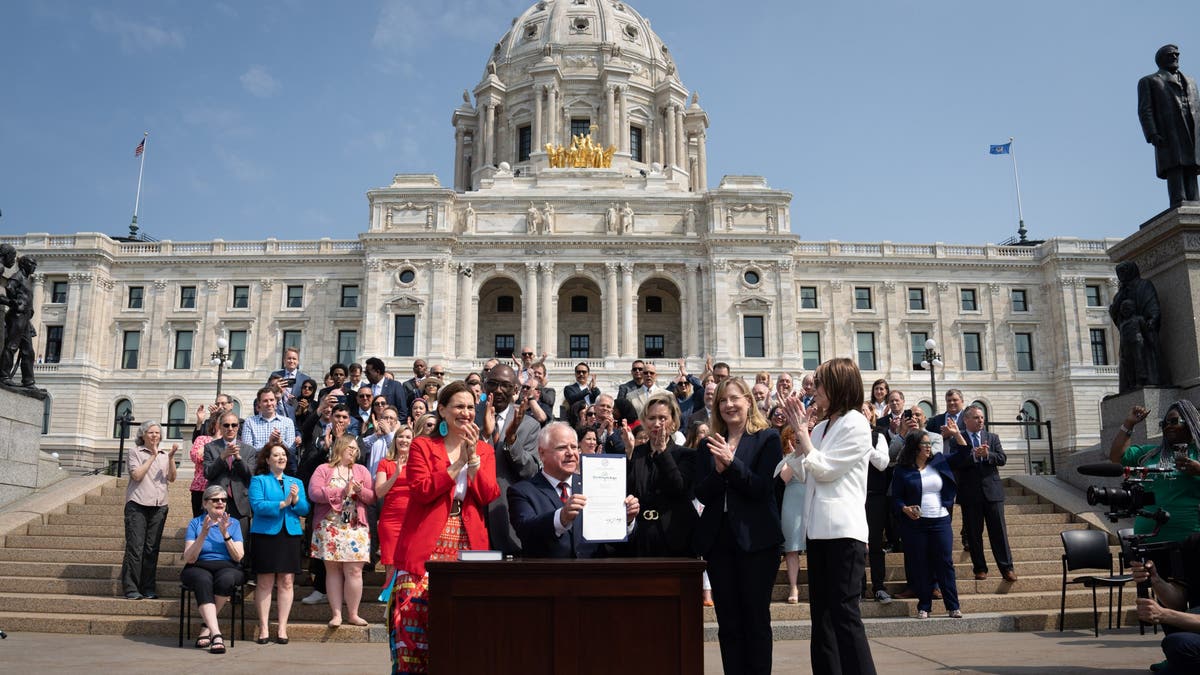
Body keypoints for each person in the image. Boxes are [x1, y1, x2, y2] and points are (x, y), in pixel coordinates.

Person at [389, 381, 500, 674]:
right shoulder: (423, 446)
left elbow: (488, 495)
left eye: (470, 407)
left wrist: (473, 461)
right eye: (459, 406)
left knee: (462, 630)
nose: (466, 412)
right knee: (414, 629)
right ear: (442, 410)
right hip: (427, 540)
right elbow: (422, 490)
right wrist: (457, 463)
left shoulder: (485, 450)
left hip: (467, 541)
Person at [779, 357, 878, 675]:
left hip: (844, 533)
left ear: (837, 386)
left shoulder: (856, 423)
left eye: (820, 383)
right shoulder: (821, 427)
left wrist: (804, 438)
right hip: (817, 532)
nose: (814, 390)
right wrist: (799, 438)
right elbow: (805, 471)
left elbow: (825, 470)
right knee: (821, 618)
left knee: (845, 615)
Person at [693, 377, 783, 675]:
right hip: (720, 542)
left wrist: (732, 465)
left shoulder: (767, 438)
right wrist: (720, 472)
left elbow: (761, 489)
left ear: (748, 401)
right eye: (722, 400)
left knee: (755, 620)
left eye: (734, 398)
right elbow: (702, 492)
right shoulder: (708, 444)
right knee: (728, 623)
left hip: (756, 541)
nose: (728, 405)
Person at [509, 421, 639, 558]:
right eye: (562, 448)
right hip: (549, 576)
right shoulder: (522, 491)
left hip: (593, 575)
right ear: (542, 453)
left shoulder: (594, 485)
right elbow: (526, 530)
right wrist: (561, 518)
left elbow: (615, 544)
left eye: (574, 447)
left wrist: (627, 521)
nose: (570, 453)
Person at [1109, 401, 1200, 577]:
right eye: (1164, 423)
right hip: (1152, 540)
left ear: (1190, 422)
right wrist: (1129, 423)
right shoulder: (1150, 454)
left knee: (1192, 594)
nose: (1168, 427)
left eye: (1174, 421)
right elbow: (1116, 456)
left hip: (1190, 539)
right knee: (1162, 596)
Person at [892, 430, 962, 620]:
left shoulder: (938, 462)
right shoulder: (902, 470)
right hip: (916, 523)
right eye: (925, 444)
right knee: (920, 564)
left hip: (940, 520)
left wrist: (956, 434)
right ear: (915, 448)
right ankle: (924, 606)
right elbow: (896, 497)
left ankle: (953, 606)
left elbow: (963, 454)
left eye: (929, 443)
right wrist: (904, 508)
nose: (929, 447)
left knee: (945, 563)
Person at [308, 434, 377, 628]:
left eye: (356, 449)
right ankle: (336, 614)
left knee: (354, 570)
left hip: (355, 526)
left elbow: (372, 497)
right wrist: (341, 491)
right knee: (333, 570)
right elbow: (314, 493)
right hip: (330, 526)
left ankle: (353, 614)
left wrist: (358, 491)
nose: (354, 452)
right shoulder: (324, 469)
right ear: (340, 447)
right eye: (350, 448)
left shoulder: (361, 470)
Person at [946, 405, 1016, 582]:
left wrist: (987, 455)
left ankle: (1007, 568)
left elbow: (1002, 459)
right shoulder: (957, 439)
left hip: (992, 493)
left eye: (982, 418)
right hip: (970, 493)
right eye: (976, 418)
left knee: (999, 532)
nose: (980, 421)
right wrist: (974, 456)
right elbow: (956, 462)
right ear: (967, 420)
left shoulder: (992, 437)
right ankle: (980, 568)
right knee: (974, 534)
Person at [249, 442, 310, 644]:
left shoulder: (296, 481)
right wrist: (282, 504)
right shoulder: (259, 480)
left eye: (283, 454)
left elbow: (304, 509)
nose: (281, 458)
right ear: (267, 460)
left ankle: (282, 627)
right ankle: (264, 627)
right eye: (276, 455)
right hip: (266, 534)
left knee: (286, 581)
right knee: (265, 581)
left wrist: (294, 500)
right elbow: (257, 506)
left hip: (289, 534)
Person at [479, 363, 541, 554]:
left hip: (507, 513)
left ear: (515, 390)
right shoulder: (470, 416)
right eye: (493, 384)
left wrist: (512, 440)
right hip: (472, 510)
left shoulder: (529, 425)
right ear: (484, 386)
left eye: (505, 385)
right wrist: (483, 434)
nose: (498, 390)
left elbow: (530, 470)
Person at [626, 392, 696, 557]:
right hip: (639, 539)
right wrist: (628, 457)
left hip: (674, 539)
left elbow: (679, 488)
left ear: (673, 423)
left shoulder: (687, 455)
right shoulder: (635, 454)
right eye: (651, 418)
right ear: (644, 422)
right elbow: (628, 490)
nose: (657, 423)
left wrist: (662, 451)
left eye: (663, 418)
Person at [181, 485, 244, 654]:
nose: (220, 502)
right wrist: (203, 533)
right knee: (202, 580)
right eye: (215, 499)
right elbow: (189, 557)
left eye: (223, 499)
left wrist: (225, 534)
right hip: (198, 565)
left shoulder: (234, 523)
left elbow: (238, 557)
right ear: (205, 503)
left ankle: (207, 628)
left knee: (226, 580)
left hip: (228, 566)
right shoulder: (195, 523)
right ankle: (216, 633)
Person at [1138, 45, 1200, 206]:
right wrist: (1152, 133)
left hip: (1192, 129)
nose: (1175, 57)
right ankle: (1179, 199)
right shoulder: (1150, 81)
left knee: (1191, 165)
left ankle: (1194, 199)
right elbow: (1145, 109)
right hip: (1169, 131)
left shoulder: (1191, 81)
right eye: (1170, 54)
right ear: (1160, 59)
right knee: (1175, 165)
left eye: (1177, 54)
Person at [122, 420, 177, 600]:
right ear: (143, 435)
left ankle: (148, 587)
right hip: (137, 505)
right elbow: (136, 475)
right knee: (135, 548)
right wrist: (152, 456)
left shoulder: (164, 454)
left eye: (157, 433)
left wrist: (170, 458)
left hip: (159, 506)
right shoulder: (135, 452)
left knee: (151, 549)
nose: (155, 436)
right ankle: (131, 587)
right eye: (151, 433)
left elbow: (172, 478)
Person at [1131, 537, 1200, 674]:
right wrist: (1155, 580)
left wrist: (1163, 614)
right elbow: (1178, 603)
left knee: (1181, 644)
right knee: (1176, 645)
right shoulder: (1194, 544)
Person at [375, 425, 413, 580]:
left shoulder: (419, 463)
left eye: (408, 437)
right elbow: (379, 492)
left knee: (410, 564)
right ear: (395, 439)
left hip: (413, 519)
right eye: (400, 436)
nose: (404, 440)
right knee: (390, 565)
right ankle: (390, 602)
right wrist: (396, 473)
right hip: (391, 520)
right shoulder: (385, 462)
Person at [189, 408, 214, 517]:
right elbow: (196, 456)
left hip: (219, 487)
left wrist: (206, 450)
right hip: (200, 486)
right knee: (199, 520)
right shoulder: (202, 439)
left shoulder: (228, 441)